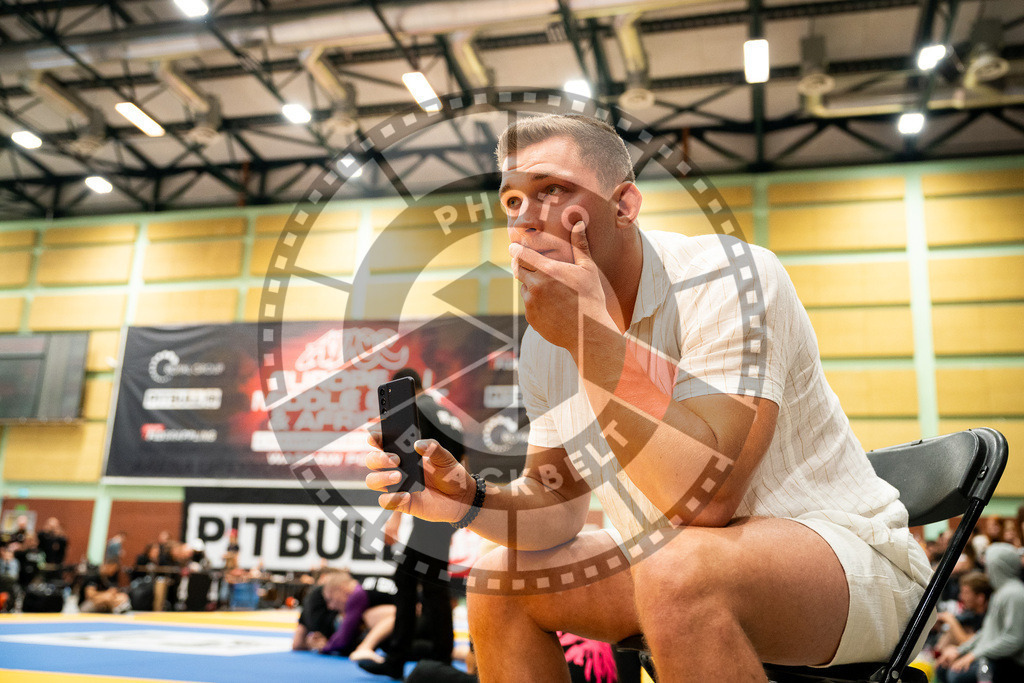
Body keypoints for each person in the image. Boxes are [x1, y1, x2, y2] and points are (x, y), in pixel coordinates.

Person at [365, 113, 933, 682]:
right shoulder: (545, 344)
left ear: (624, 206)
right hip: (673, 561)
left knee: (675, 565)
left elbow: (707, 501)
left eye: (552, 190)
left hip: (850, 562)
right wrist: (470, 500)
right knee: (499, 581)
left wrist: (590, 340)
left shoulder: (729, 279)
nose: (526, 218)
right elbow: (556, 507)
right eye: (512, 201)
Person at [360, 368, 465, 679]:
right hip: (451, 503)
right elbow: (464, 462)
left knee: (414, 581)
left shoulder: (414, 411)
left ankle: (402, 659)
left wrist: (393, 519)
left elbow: (405, 465)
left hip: (430, 504)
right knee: (430, 582)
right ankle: (435, 658)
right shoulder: (448, 414)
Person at [936, 544, 1024, 683]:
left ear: (998, 566)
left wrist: (973, 655)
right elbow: (987, 632)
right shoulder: (1000, 593)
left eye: (989, 565)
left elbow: (1014, 639)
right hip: (995, 657)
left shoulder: (1014, 593)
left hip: (1010, 662)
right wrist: (961, 651)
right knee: (943, 668)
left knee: (957, 675)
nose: (987, 571)